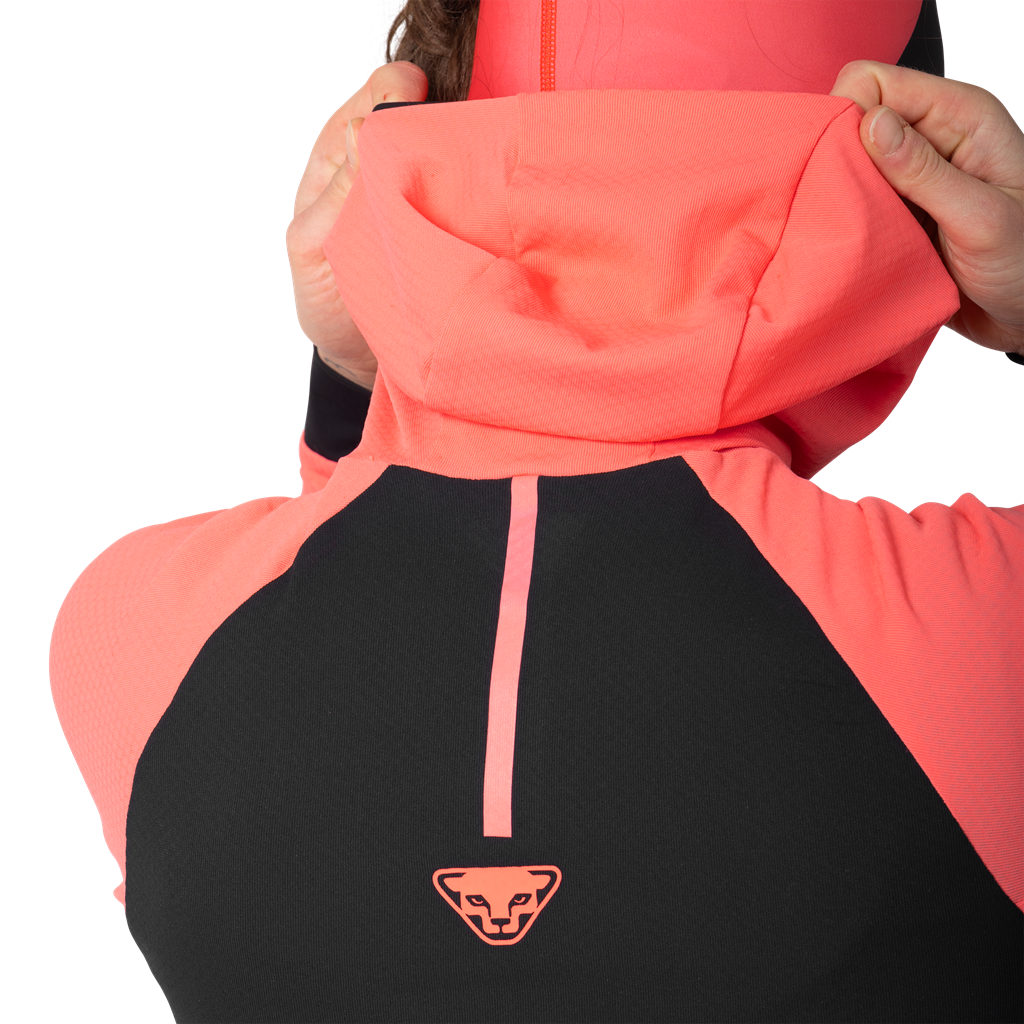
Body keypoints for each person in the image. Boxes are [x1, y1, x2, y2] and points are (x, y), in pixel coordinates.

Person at [50, 1, 1023, 1021]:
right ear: (909, 199)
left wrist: (361, 374)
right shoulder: (983, 633)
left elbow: (360, 604)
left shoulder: (131, 637)